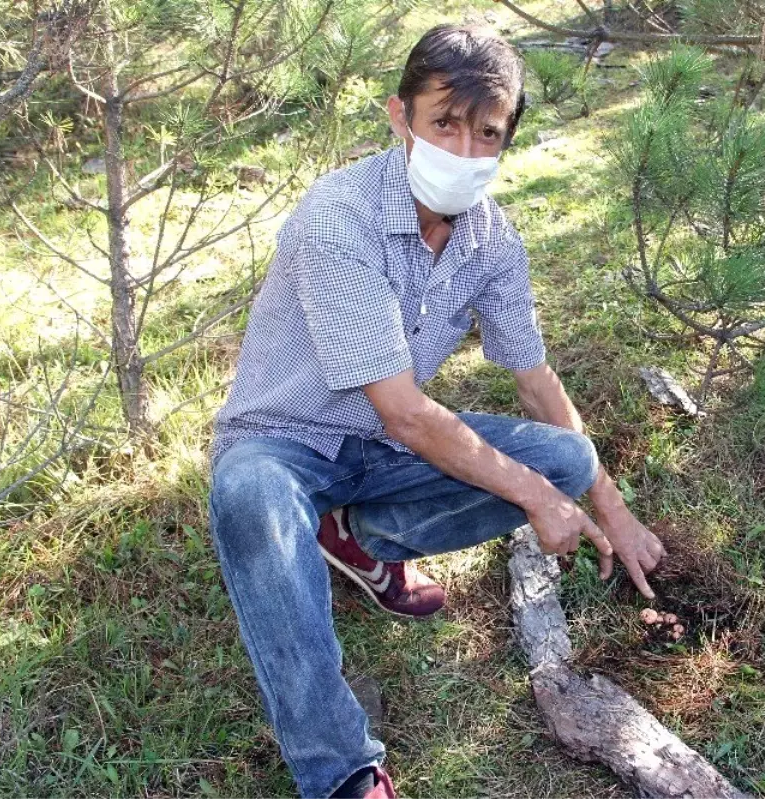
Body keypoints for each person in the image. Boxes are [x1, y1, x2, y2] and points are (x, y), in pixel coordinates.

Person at [208, 23, 666, 799]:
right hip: (286, 439)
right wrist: (535, 496)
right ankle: (342, 768)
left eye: (486, 132)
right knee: (251, 498)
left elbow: (534, 379)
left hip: (382, 450)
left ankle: (360, 537)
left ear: (507, 138)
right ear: (400, 117)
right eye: (443, 123)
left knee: (564, 455)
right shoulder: (339, 218)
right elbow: (406, 414)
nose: (462, 150)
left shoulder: (491, 239)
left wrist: (608, 502)